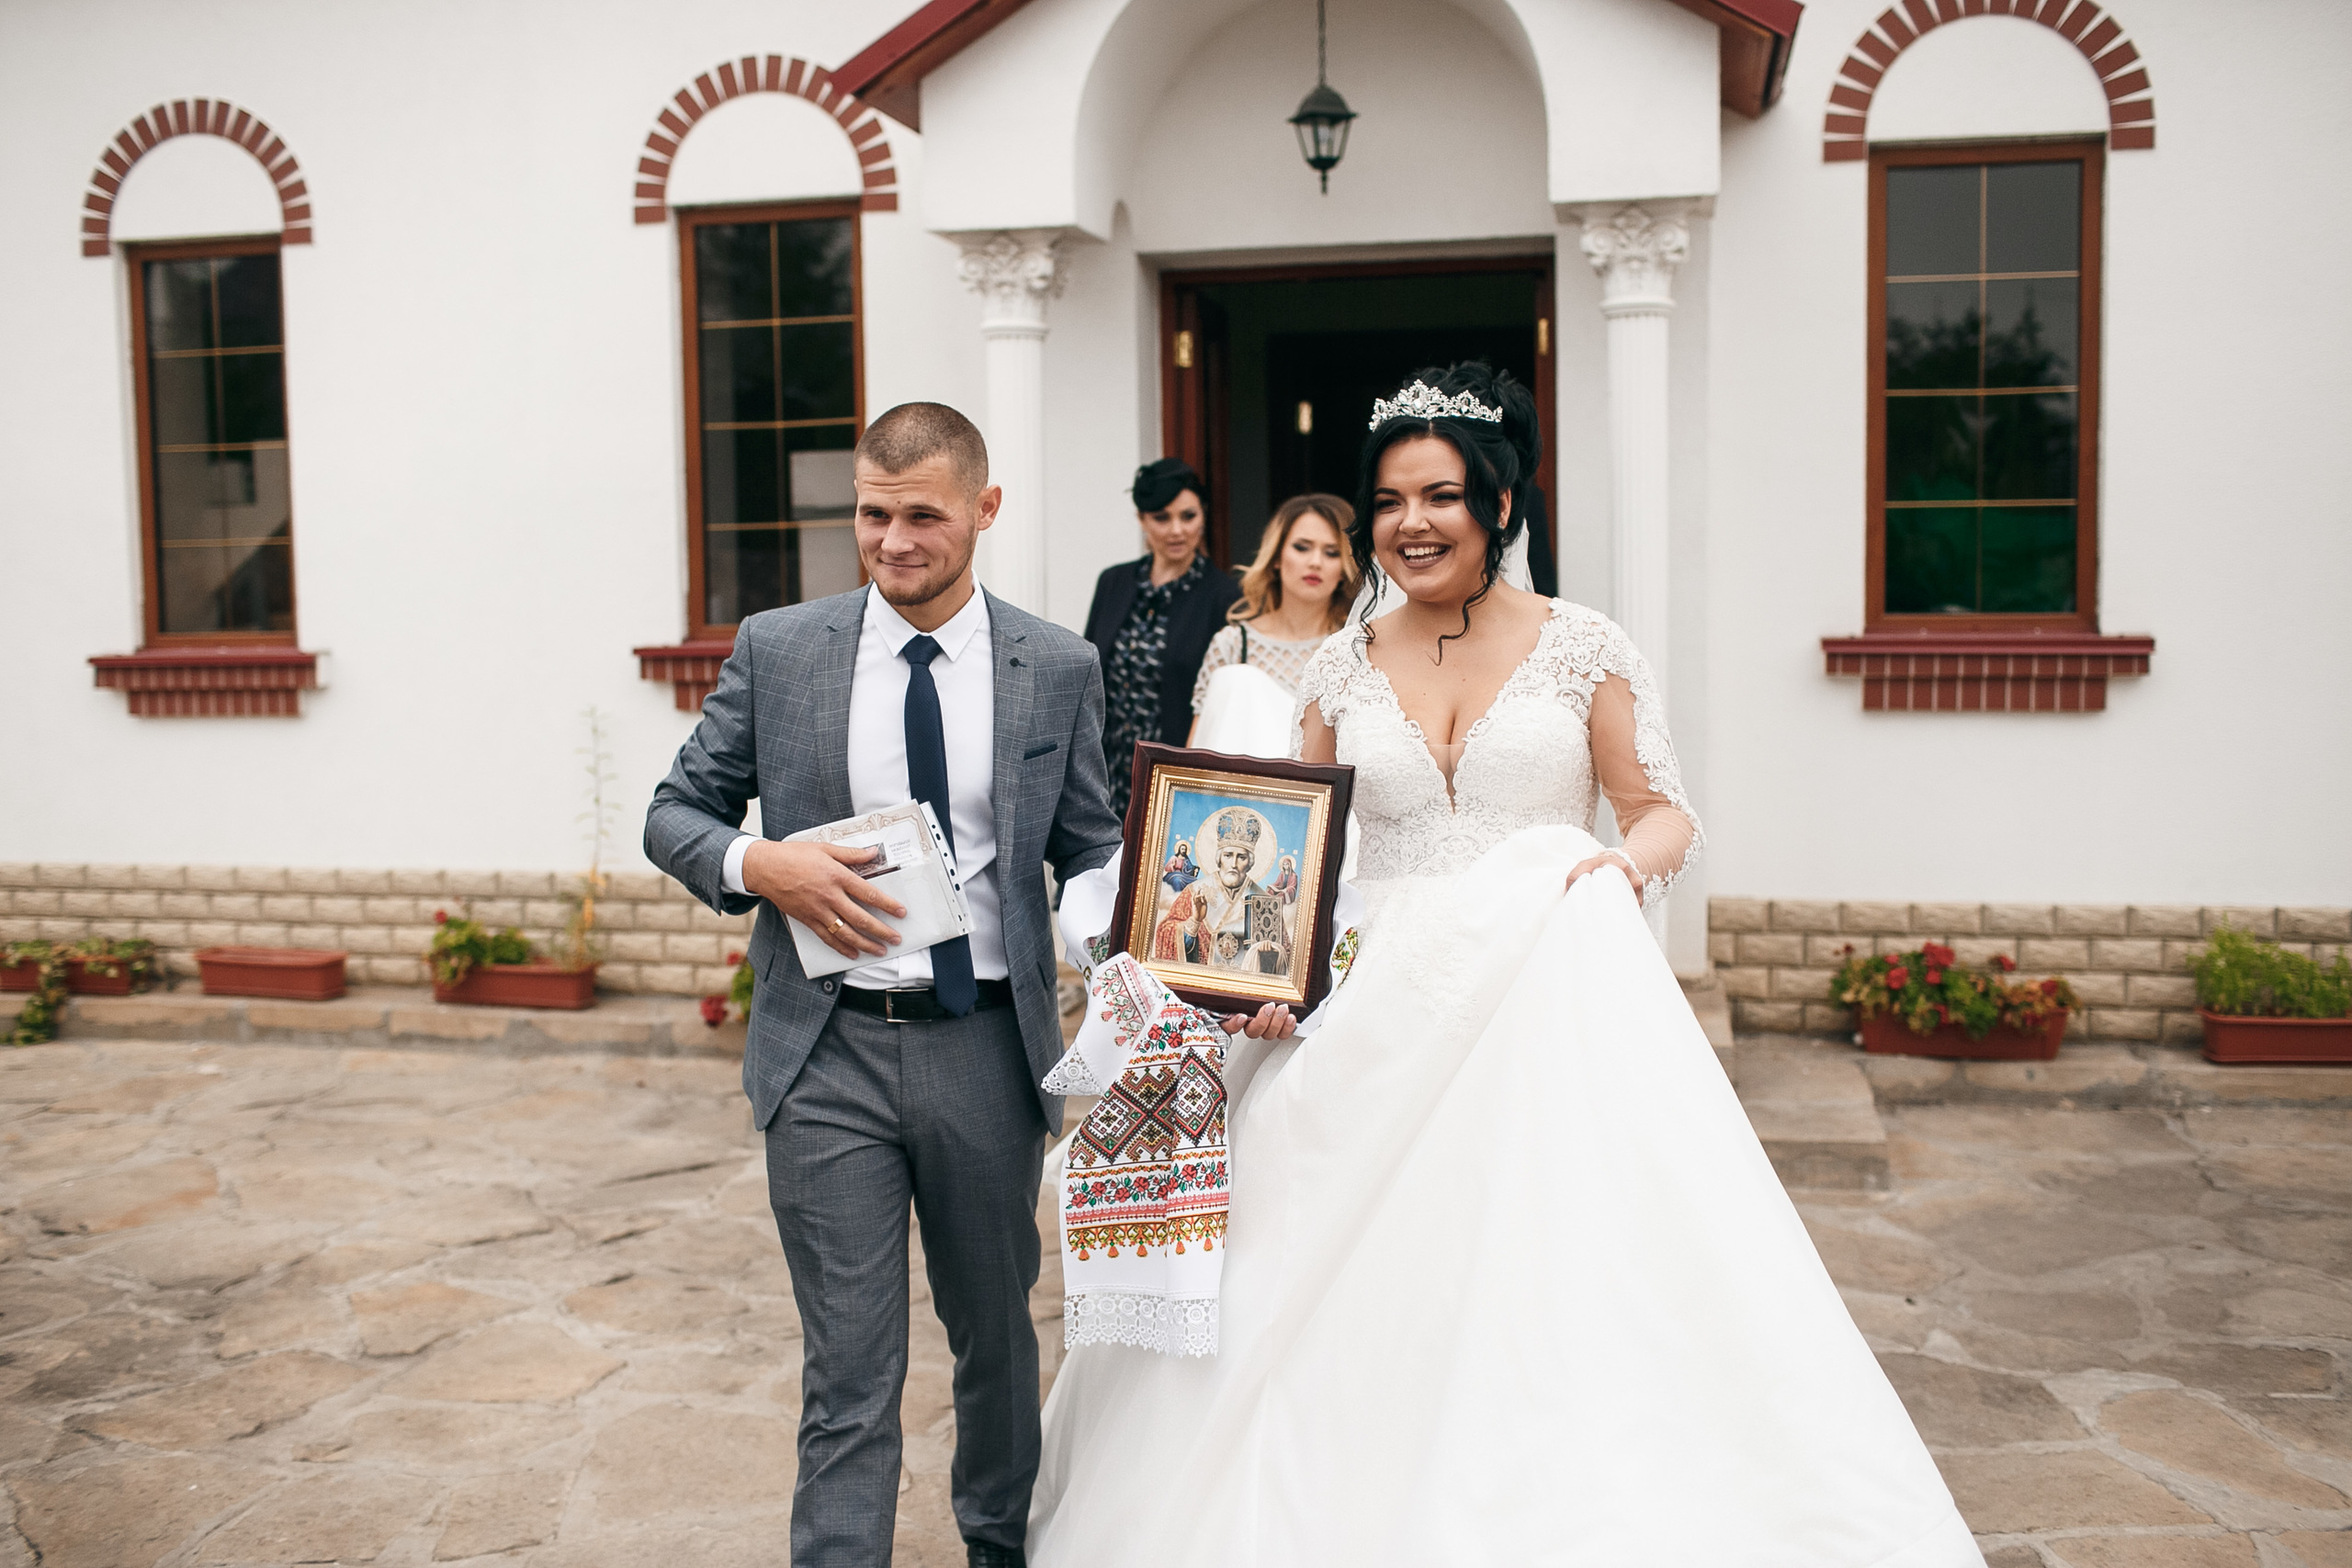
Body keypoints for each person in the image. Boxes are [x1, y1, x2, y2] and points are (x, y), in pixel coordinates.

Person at [1032, 364, 1983, 1566]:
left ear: (1497, 502)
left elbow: (1661, 809)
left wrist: (1613, 870)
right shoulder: (1337, 665)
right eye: (1388, 500)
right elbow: (1300, 853)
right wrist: (1263, 974)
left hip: (1543, 980)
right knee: (1327, 1265)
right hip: (1377, 1004)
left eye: (1440, 494)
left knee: (1552, 1258)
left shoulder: (1583, 644)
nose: (1409, 522)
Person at [644, 401, 1122, 1568]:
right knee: (850, 1370)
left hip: (984, 1056)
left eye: (923, 515)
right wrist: (764, 865)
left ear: (982, 511)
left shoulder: (1056, 666)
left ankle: (998, 1546)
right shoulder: (779, 646)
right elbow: (675, 814)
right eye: (872, 513)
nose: (894, 539)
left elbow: (1093, 846)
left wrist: (1136, 941)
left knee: (996, 1345)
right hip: (827, 1056)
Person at [1082, 458, 1240, 818]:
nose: (1176, 530)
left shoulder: (1225, 597)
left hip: (1176, 774)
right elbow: (1088, 679)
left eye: (1188, 516)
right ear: (1141, 519)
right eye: (1161, 517)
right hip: (1107, 772)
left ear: (1204, 516)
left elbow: (1224, 700)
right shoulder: (1114, 583)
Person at [1185, 493, 1362, 756]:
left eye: (1332, 552)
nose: (1315, 561)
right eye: (1302, 547)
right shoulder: (1232, 644)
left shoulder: (1357, 648)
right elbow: (1198, 750)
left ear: (1345, 566)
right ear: (1277, 556)